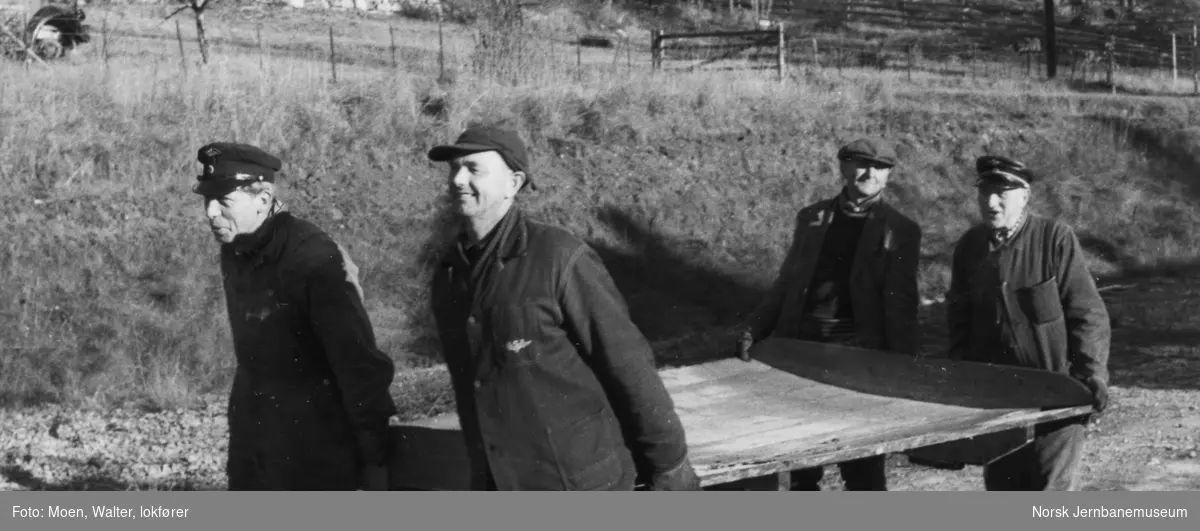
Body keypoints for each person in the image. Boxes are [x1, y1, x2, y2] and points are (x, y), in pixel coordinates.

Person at [427, 124, 700, 491]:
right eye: (453, 168)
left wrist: (670, 466)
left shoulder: (559, 258)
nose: (457, 179)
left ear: (513, 182)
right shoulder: (449, 275)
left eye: (474, 168)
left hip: (580, 484)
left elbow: (628, 366)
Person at [193, 142, 397, 491]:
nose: (211, 212)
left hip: (313, 453)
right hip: (254, 444)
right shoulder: (236, 248)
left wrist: (375, 459)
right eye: (207, 200)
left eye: (224, 201)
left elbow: (357, 362)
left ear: (263, 199)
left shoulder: (314, 258)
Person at [737, 137, 921, 491]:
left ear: (888, 176)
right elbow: (786, 283)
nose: (870, 173)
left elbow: (901, 305)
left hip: (858, 351)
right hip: (802, 345)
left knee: (863, 465)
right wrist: (755, 327)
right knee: (803, 461)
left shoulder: (900, 230)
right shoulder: (812, 218)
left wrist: (905, 366)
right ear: (844, 167)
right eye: (861, 163)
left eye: (880, 167)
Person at [948, 155, 1112, 491]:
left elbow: (1088, 315)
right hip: (998, 403)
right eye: (984, 193)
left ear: (1024, 196)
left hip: (1056, 401)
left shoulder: (1054, 239)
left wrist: (1092, 376)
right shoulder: (969, 247)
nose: (991, 202)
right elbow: (958, 324)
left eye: (1002, 193)